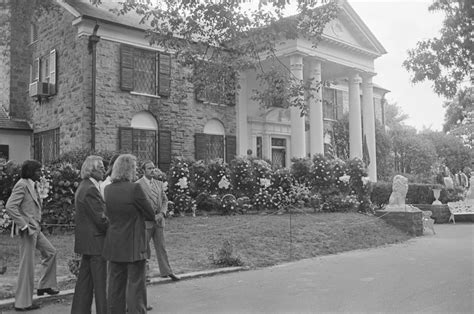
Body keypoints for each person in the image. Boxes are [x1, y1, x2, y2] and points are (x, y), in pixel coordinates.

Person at [102, 154, 155, 314]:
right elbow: (150, 213)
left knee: (115, 285)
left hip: (114, 241)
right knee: (135, 285)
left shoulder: (108, 189)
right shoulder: (134, 188)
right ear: (130, 169)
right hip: (133, 242)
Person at [5, 160, 59, 311]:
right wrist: (23, 225)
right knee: (26, 266)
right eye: (38, 171)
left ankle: (45, 286)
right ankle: (22, 303)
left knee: (51, 252)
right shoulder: (22, 184)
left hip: (35, 228)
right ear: (29, 171)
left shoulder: (31, 184)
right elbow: (10, 206)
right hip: (28, 230)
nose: (40, 173)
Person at [71, 156, 108, 314]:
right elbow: (101, 219)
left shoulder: (83, 186)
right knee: (101, 286)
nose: (104, 170)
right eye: (100, 168)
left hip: (87, 242)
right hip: (96, 243)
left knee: (84, 284)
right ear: (91, 170)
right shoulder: (91, 189)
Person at [136, 161, 180, 282]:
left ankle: (166, 271)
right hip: (145, 221)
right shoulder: (137, 185)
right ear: (143, 171)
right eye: (149, 168)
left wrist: (162, 213)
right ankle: (144, 274)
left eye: (153, 168)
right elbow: (137, 204)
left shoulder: (159, 184)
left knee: (161, 246)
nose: (152, 170)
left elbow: (165, 200)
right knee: (144, 248)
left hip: (159, 221)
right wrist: (148, 216)